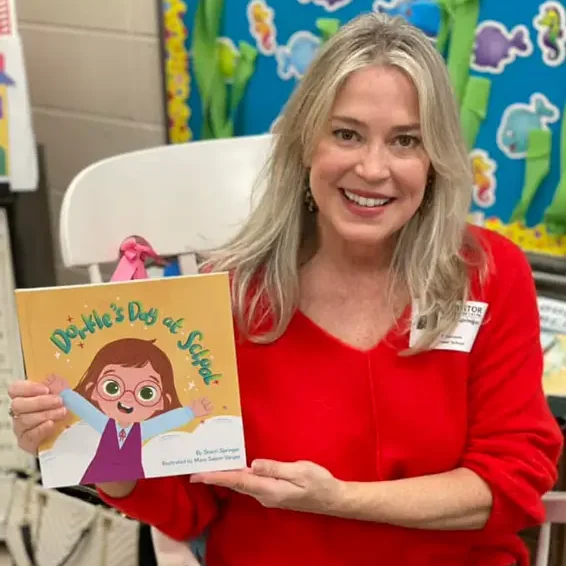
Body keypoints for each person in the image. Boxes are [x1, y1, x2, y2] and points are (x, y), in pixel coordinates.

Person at [8, 12, 563, 566]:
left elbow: (511, 482)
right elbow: (190, 509)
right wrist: (100, 452)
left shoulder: (487, 273)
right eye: (346, 134)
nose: (373, 168)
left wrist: (339, 500)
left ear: (434, 160)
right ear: (303, 145)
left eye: (405, 141)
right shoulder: (229, 294)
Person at [42, 338, 212, 484]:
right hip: (99, 476)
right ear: (92, 390)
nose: (127, 398)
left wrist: (190, 412)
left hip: (134, 482)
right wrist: (65, 393)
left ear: (161, 402)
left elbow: (163, 422)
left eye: (146, 393)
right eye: (112, 387)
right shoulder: (104, 424)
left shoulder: (141, 431)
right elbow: (86, 410)